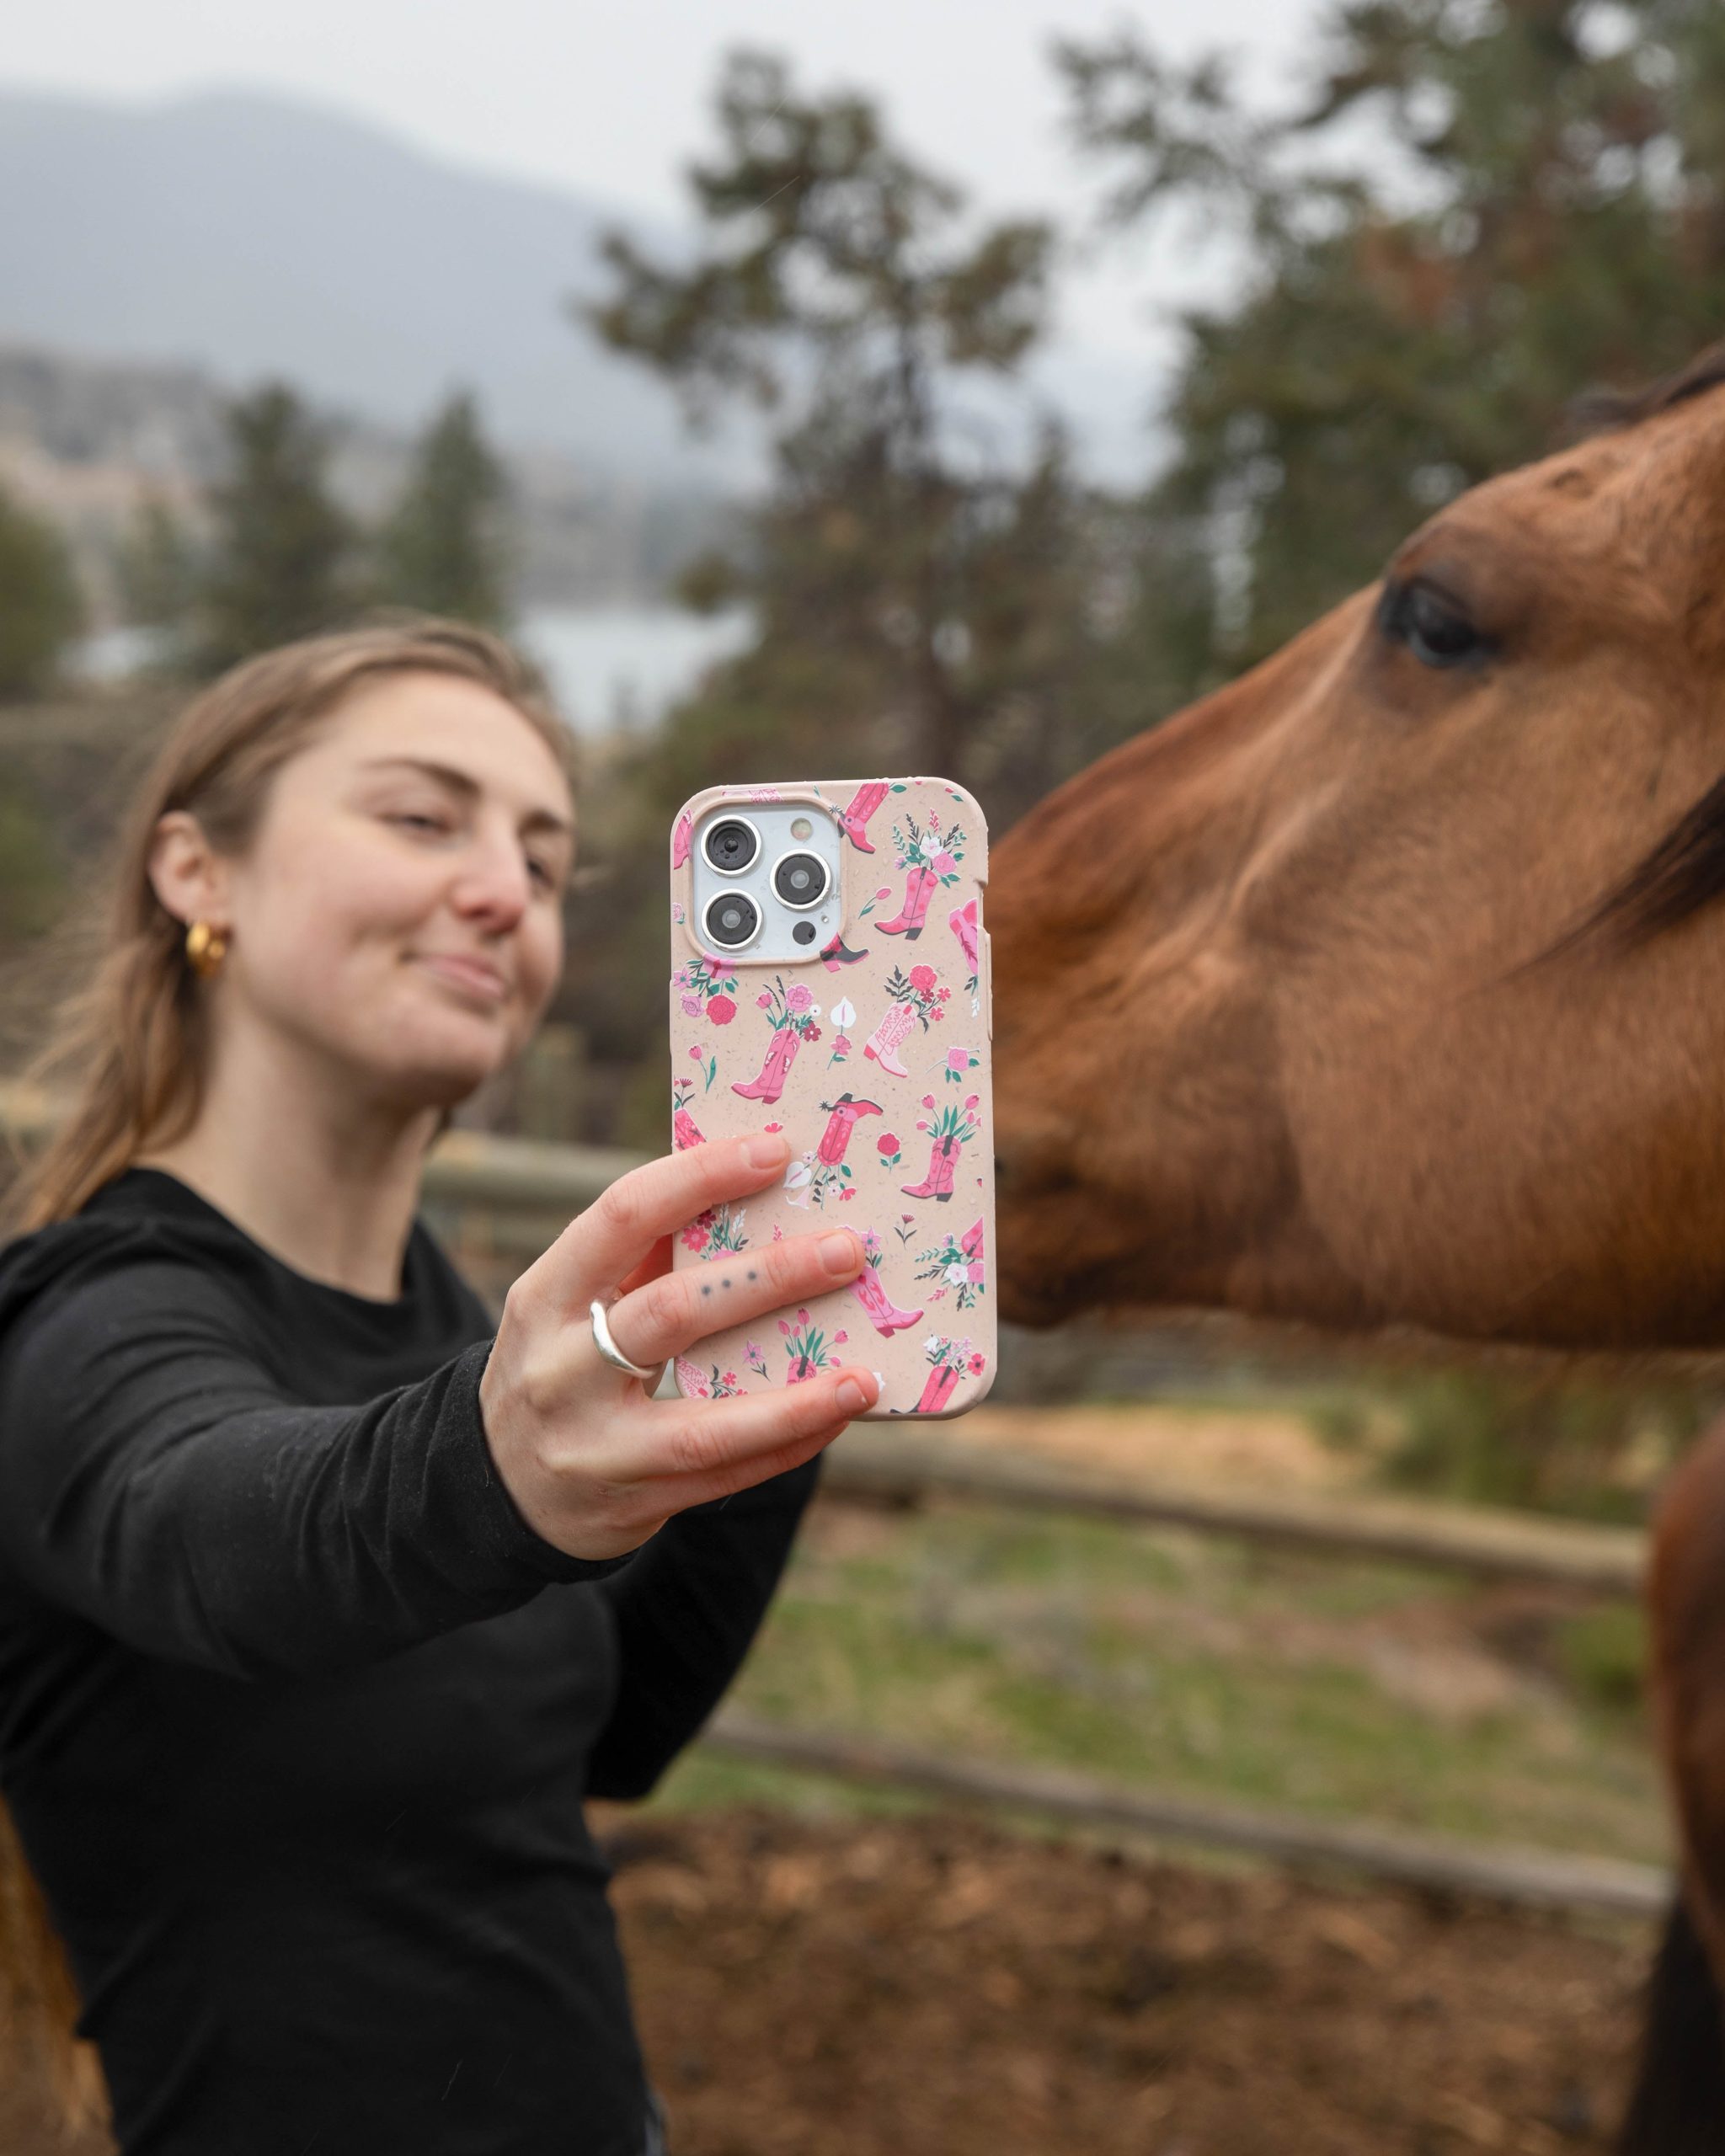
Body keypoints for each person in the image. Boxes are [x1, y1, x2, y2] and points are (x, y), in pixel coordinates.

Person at [0, 620, 880, 2156]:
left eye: (545, 862)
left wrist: (801, 1333)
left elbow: (606, 1740)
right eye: (423, 818)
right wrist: (497, 1465)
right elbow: (225, 1534)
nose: (503, 892)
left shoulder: (469, 1332)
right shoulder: (84, 1325)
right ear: (196, 872)